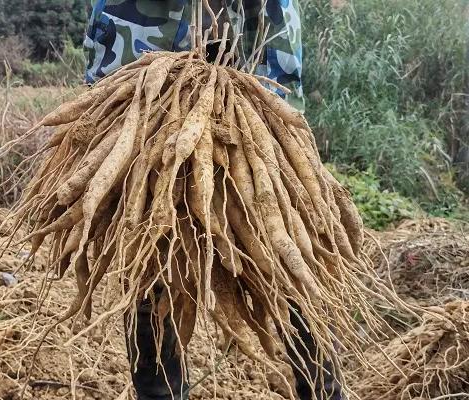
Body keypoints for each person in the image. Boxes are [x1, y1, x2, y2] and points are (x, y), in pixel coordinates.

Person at [84, 2, 342, 399]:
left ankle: (323, 389)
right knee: (149, 237)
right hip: (140, 56)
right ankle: (160, 392)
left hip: (251, 48)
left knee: (284, 236)